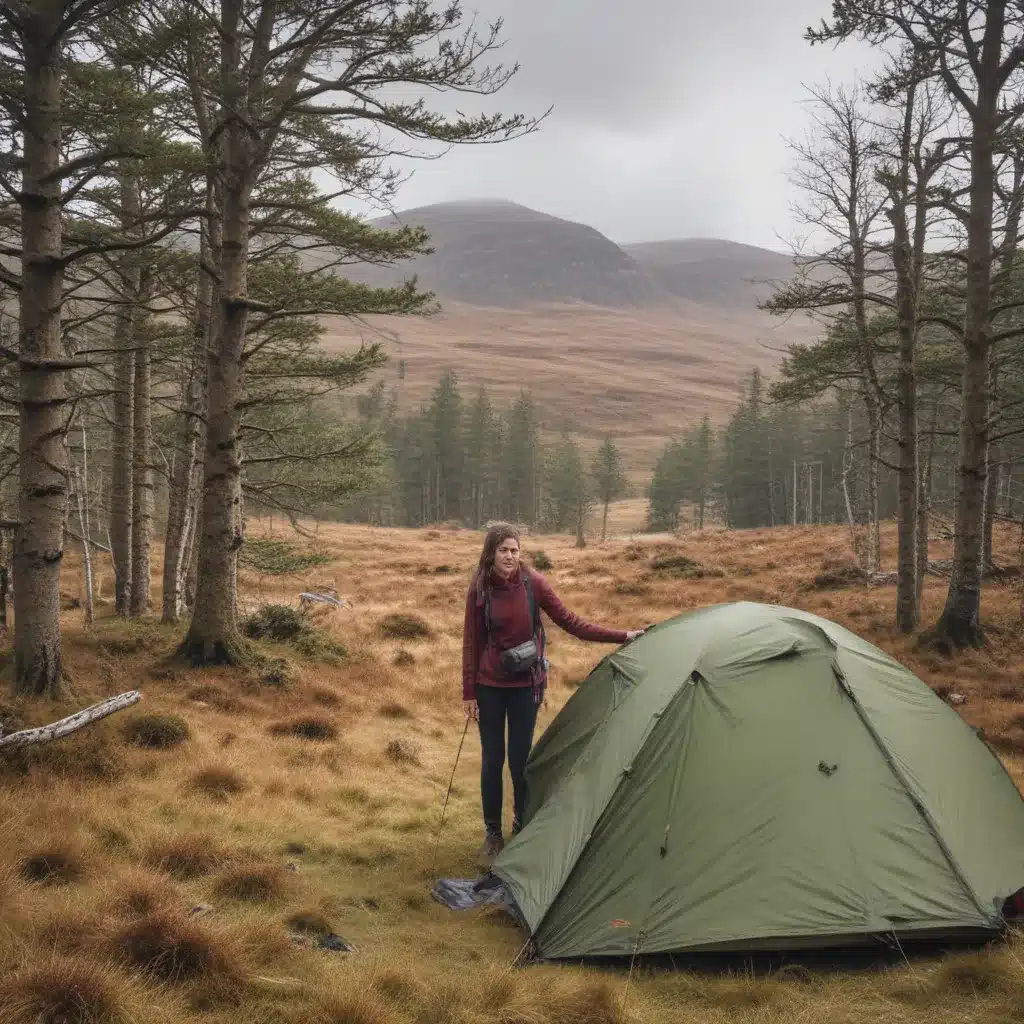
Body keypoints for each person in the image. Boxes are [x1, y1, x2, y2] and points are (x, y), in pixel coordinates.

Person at [462, 522, 645, 868]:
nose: (510, 556)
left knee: (520, 760)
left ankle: (522, 824)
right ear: (491, 552)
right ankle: (492, 834)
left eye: (515, 550)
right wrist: (469, 692)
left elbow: (572, 622)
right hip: (489, 687)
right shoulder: (480, 588)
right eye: (503, 550)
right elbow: (471, 643)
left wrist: (623, 636)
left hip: (526, 686)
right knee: (492, 760)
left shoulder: (534, 585)